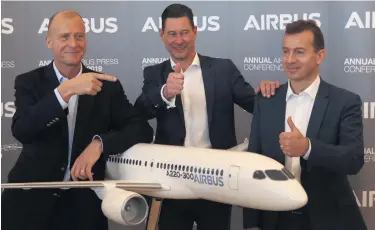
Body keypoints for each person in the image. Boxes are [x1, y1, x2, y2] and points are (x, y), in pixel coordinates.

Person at [1, 10, 153, 230]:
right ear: (49, 41)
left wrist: (100, 143)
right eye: (64, 37)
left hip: (83, 206)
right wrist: (65, 92)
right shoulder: (29, 82)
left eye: (79, 36)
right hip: (30, 203)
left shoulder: (106, 86)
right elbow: (23, 129)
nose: (73, 43)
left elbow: (141, 129)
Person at [134, 3, 279, 230]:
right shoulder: (154, 73)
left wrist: (272, 94)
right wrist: (164, 93)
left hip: (215, 181)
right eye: (172, 34)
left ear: (195, 31)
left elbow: (255, 104)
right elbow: (140, 111)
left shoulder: (223, 69)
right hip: (172, 182)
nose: (179, 40)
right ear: (162, 35)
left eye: (184, 32)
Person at [243, 19, 367, 230]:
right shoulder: (266, 100)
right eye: (285, 51)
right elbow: (253, 164)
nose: (290, 60)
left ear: (320, 56)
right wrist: (252, 224)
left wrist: (308, 148)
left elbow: (353, 160)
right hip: (275, 219)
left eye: (299, 52)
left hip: (328, 219)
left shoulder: (345, 101)